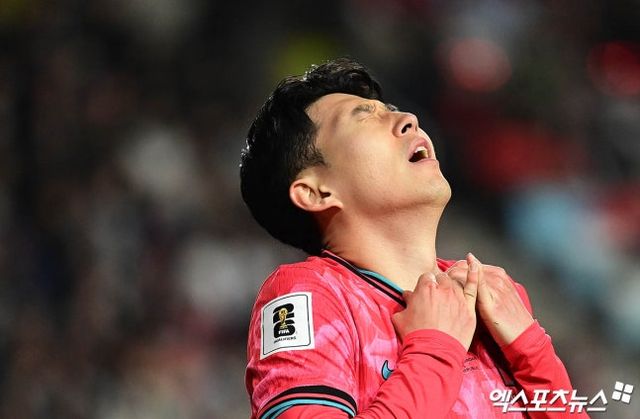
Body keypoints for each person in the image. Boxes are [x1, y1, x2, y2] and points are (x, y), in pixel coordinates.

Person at [240, 58, 587, 418]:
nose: (409, 118)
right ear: (316, 192)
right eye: (363, 117)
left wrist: (533, 352)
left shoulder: (492, 299)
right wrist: (434, 349)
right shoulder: (309, 294)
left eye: (390, 110)